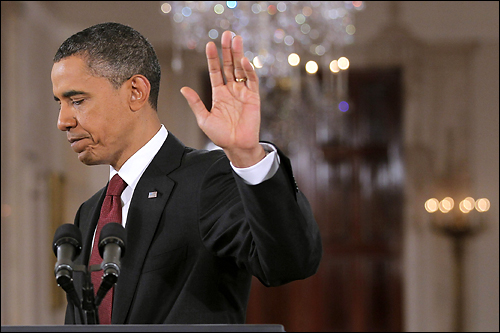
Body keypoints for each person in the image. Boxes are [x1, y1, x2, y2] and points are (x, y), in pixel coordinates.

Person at [51, 22, 322, 325]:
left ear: (136, 91)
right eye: (59, 103)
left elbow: (290, 262)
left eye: (77, 101)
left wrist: (247, 156)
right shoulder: (90, 212)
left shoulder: (207, 180)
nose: (63, 121)